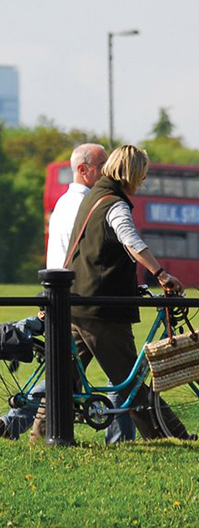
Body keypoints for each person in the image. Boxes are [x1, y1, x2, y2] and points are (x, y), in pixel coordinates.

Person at [0, 144, 137, 440]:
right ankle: (121, 439)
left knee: (64, 372)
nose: (108, 170)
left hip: (63, 295)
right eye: (102, 165)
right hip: (82, 298)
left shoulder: (64, 202)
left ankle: (17, 424)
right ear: (83, 170)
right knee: (117, 372)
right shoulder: (90, 205)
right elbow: (92, 255)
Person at [54, 145, 190, 440]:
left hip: (78, 300)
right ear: (131, 173)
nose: (142, 181)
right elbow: (130, 240)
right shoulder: (114, 203)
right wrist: (161, 274)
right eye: (141, 175)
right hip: (101, 307)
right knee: (131, 379)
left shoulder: (95, 195)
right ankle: (170, 435)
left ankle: (40, 435)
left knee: (64, 379)